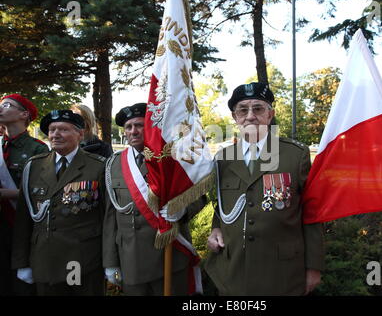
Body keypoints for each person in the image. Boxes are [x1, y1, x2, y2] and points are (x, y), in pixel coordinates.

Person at [204, 82, 325, 296]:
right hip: (233, 272)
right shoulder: (223, 159)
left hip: (282, 272)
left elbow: (313, 212)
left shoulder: (295, 155)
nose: (250, 116)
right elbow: (222, 206)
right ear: (235, 117)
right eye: (243, 110)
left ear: (270, 115)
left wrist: (314, 266)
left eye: (258, 108)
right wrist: (216, 229)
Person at [103, 103, 206, 296]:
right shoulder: (113, 164)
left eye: (140, 125)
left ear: (151, 127)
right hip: (130, 260)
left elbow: (198, 195)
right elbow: (110, 218)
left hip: (169, 256)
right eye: (128, 127)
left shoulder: (172, 157)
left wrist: (181, 209)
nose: (134, 131)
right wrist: (110, 262)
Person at [11, 110, 106, 296]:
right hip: (44, 259)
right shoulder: (35, 166)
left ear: (80, 134)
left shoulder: (98, 166)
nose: (55, 134)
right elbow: (23, 219)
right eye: (52, 129)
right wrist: (22, 262)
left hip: (81, 260)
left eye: (63, 129)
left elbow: (107, 218)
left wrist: (109, 261)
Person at [0, 94, 49, 296]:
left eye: (7, 105)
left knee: (22, 285)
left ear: (24, 114)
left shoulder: (37, 148)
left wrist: (6, 194)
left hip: (22, 227)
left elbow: (43, 193)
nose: (1, 108)